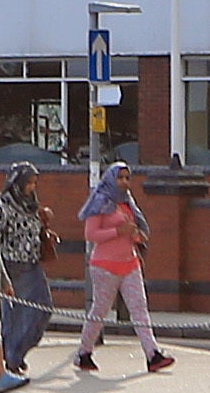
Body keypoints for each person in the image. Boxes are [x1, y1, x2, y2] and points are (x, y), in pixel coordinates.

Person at [70, 157, 174, 376]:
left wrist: (137, 235)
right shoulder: (100, 201)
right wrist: (118, 232)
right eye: (120, 178)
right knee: (100, 310)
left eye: (128, 178)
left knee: (140, 309)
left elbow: (135, 227)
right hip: (104, 266)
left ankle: (152, 354)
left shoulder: (128, 203)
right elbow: (91, 234)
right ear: (110, 179)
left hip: (130, 263)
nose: (125, 182)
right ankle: (84, 352)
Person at [0, 165, 56, 378]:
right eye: (28, 182)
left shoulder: (31, 205)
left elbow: (32, 229)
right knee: (14, 314)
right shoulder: (3, 204)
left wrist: (44, 229)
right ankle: (11, 359)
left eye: (34, 183)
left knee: (43, 308)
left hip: (32, 262)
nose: (31, 187)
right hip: (12, 264)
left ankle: (17, 354)